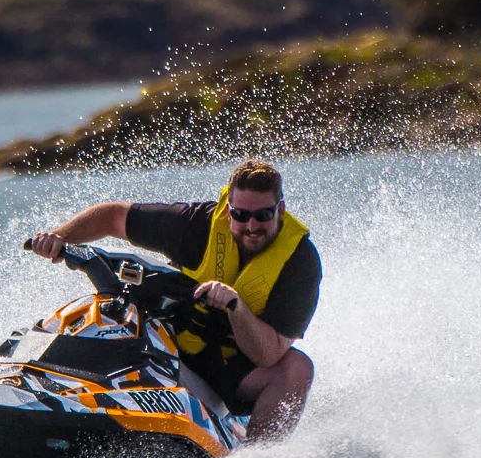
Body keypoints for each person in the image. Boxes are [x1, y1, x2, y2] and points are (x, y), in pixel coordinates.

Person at [26, 158, 319, 442]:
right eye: (241, 216)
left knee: (297, 367)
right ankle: (41, 382)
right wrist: (58, 237)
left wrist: (236, 306)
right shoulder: (195, 226)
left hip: (231, 369)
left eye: (263, 216)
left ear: (280, 210)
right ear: (229, 211)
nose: (251, 225)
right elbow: (112, 217)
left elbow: (269, 355)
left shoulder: (300, 262)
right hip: (167, 345)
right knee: (107, 311)